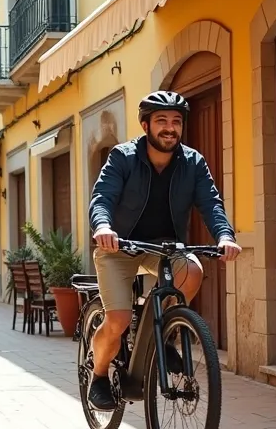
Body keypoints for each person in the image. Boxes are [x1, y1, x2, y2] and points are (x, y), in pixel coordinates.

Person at [85, 90, 242, 411]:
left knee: (193, 269)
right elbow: (102, 196)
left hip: (164, 247)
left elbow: (211, 202)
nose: (169, 128)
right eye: (161, 121)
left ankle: (164, 329)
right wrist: (103, 228)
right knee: (117, 321)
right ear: (146, 126)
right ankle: (98, 377)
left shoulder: (193, 162)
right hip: (119, 246)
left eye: (176, 121)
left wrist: (225, 235)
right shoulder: (123, 157)